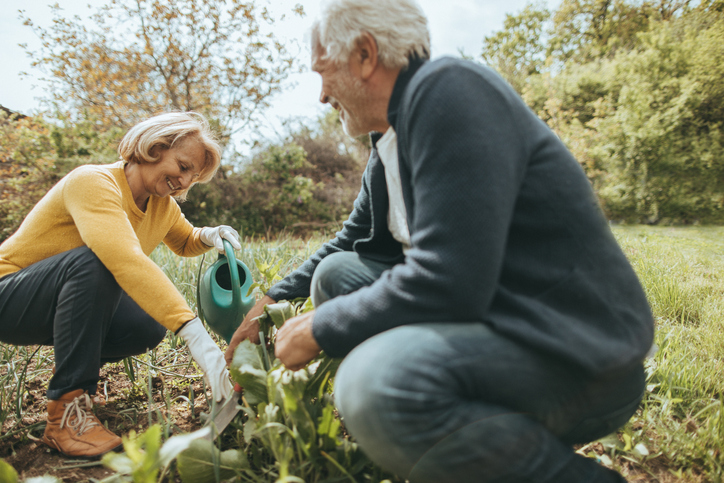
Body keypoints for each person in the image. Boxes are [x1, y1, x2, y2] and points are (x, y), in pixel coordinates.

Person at [225, 0, 655, 481]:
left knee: (374, 385)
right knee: (339, 273)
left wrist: (318, 327)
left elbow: (451, 278)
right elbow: (352, 242)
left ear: (365, 54)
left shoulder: (448, 90)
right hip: (500, 322)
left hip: (575, 360)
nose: (323, 95)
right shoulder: (390, 142)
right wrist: (270, 299)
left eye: (323, 73)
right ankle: (440, 437)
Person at [0, 112, 237, 458]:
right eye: (183, 167)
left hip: (57, 304)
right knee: (96, 261)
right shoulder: (93, 182)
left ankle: (73, 372)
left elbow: (185, 240)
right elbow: (123, 258)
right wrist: (194, 334)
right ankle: (66, 411)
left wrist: (209, 235)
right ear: (155, 147)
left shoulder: (161, 206)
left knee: (146, 325)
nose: (185, 183)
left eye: (194, 177)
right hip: (9, 294)